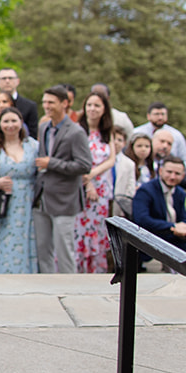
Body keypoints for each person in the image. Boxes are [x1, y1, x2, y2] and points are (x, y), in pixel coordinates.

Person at [31, 86, 92, 274]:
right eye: (44, 102)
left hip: (65, 200)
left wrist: (52, 163)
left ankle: (69, 290)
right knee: (43, 249)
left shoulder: (76, 132)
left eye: (51, 102)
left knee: (64, 250)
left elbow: (84, 165)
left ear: (64, 104)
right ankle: (49, 289)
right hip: (42, 198)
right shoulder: (43, 128)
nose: (46, 106)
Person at [0, 108, 39, 273]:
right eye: (6, 121)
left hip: (25, 201)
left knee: (21, 239)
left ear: (21, 123)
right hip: (0, 200)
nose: (10, 125)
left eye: (14, 121)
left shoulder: (32, 145)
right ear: (0, 125)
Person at [132, 157, 186, 258]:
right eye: (169, 172)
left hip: (178, 235)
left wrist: (185, 226)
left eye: (177, 174)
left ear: (183, 176)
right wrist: (172, 227)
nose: (172, 177)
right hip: (157, 236)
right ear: (161, 171)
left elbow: (184, 216)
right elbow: (142, 219)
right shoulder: (146, 191)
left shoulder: (179, 192)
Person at [74, 91, 117, 273]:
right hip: (81, 186)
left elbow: (111, 159)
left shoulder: (107, 132)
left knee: (98, 230)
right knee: (80, 230)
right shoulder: (78, 130)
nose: (92, 109)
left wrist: (94, 174)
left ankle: (96, 270)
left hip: (102, 188)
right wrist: (88, 181)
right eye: (89, 105)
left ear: (104, 109)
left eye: (97, 105)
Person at [112, 129, 138, 219]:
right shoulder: (100, 159)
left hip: (119, 205)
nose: (116, 142)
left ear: (124, 143)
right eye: (113, 139)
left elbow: (130, 187)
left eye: (119, 140)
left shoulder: (129, 164)